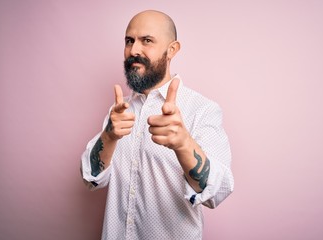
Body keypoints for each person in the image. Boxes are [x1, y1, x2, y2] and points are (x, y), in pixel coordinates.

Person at [81, 10, 234, 240]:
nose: (134, 50)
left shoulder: (201, 109)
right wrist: (109, 137)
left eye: (147, 41)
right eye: (129, 41)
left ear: (172, 50)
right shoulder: (120, 110)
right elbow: (91, 179)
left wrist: (183, 144)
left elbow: (217, 192)